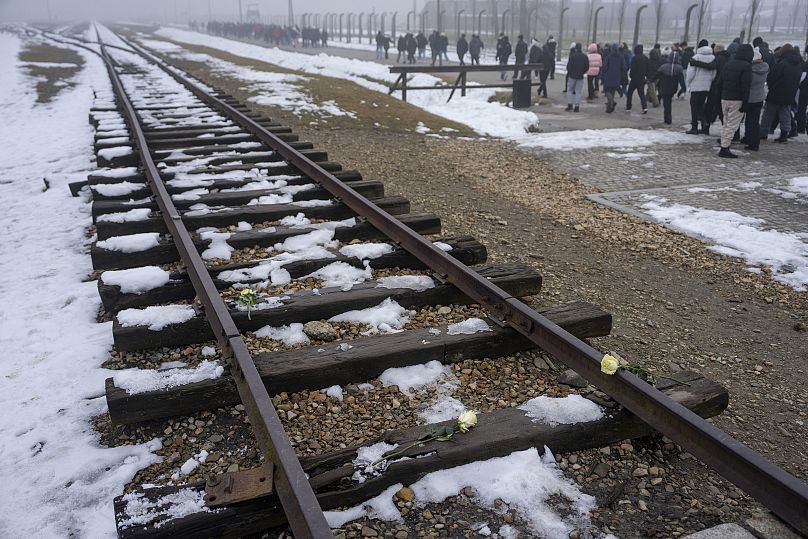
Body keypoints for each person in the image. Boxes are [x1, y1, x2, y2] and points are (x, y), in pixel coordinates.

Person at [759, 43, 802, 143]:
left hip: (776, 92)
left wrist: (771, 86)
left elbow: (772, 77)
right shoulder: (798, 64)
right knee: (785, 114)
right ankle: (784, 135)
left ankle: (763, 133)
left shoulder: (782, 63)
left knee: (768, 113)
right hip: (790, 93)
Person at [716, 43, 753, 157]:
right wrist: (745, 102)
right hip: (737, 99)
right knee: (732, 125)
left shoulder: (729, 63)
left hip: (725, 98)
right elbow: (745, 86)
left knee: (726, 123)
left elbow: (719, 82)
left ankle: (724, 144)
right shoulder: (746, 66)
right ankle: (724, 148)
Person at [742, 47, 769, 150]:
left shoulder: (750, 69)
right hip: (759, 97)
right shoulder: (765, 67)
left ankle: (751, 140)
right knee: (754, 120)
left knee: (749, 120)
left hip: (749, 97)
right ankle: (753, 140)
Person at [685, 42, 716, 134]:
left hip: (695, 86)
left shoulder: (695, 58)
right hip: (707, 86)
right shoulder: (713, 58)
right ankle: (704, 122)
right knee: (701, 104)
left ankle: (694, 127)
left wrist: (689, 83)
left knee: (694, 106)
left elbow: (690, 73)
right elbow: (714, 73)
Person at [650, 50, 686, 124]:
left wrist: (650, 80)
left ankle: (667, 119)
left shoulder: (663, 67)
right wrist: (683, 88)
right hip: (672, 88)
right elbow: (681, 80)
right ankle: (668, 119)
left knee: (666, 103)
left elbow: (656, 75)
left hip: (663, 87)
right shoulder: (679, 68)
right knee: (668, 103)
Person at [601, 44, 627, 113]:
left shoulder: (609, 57)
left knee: (606, 91)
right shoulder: (621, 57)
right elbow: (624, 68)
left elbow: (604, 67)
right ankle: (610, 108)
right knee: (612, 92)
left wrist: (603, 73)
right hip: (617, 77)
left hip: (608, 77)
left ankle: (611, 102)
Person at [565, 42, 589, 111]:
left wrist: (570, 73)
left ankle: (570, 105)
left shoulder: (572, 56)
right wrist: (582, 72)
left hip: (572, 76)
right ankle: (577, 107)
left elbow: (569, 67)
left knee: (570, 90)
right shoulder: (584, 56)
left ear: (575, 49)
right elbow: (587, 67)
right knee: (578, 92)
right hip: (580, 76)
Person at [626, 44, 649, 112]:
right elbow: (648, 69)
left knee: (630, 93)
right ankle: (644, 107)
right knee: (641, 94)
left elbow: (632, 69)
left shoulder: (634, 58)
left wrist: (631, 76)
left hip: (634, 79)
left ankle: (628, 107)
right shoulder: (646, 58)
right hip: (642, 78)